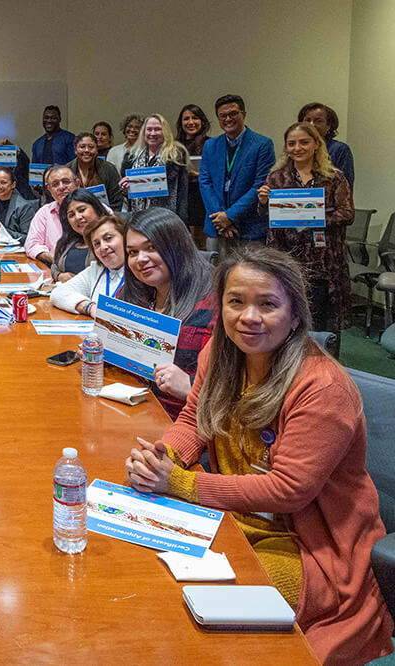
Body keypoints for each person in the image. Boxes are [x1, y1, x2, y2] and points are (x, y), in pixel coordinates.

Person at [125, 245, 394, 664]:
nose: (248, 317)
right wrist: (162, 458)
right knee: (144, 571)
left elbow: (288, 491)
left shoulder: (322, 388)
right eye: (236, 302)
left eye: (267, 304)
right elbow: (196, 418)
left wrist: (179, 482)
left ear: (295, 315)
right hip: (236, 521)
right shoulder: (219, 352)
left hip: (311, 551)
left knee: (198, 615)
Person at [257, 122, 354, 350]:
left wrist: (311, 217)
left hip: (324, 262)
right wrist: (262, 202)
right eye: (291, 143)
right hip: (287, 259)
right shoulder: (276, 178)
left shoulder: (334, 178)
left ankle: (327, 371)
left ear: (316, 145)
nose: (297, 148)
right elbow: (266, 215)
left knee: (323, 324)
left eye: (304, 142)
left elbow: (347, 213)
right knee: (288, 319)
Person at [119, 208, 216, 418]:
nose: (140, 259)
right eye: (132, 252)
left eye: (151, 248)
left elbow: (239, 388)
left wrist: (191, 386)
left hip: (187, 424)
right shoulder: (131, 295)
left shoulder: (217, 302)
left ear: (177, 246)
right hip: (133, 409)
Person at [198, 94, 275, 251]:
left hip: (249, 228)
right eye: (222, 116)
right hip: (216, 227)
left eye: (233, 114)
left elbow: (259, 185)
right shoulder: (210, 145)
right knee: (217, 273)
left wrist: (230, 216)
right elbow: (205, 182)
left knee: (251, 274)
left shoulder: (262, 145)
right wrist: (221, 219)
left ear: (243, 114)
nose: (228, 119)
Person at [50, 214, 126, 315]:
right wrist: (89, 307)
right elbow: (58, 294)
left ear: (125, 238)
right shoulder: (96, 270)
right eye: (97, 244)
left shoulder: (141, 271)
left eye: (108, 238)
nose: (103, 247)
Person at [119, 113, 189, 221]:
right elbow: (128, 195)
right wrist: (124, 188)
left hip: (167, 219)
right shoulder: (131, 157)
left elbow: (182, 192)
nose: (152, 133)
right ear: (144, 132)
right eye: (149, 129)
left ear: (164, 131)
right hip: (138, 219)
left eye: (157, 129)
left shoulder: (176, 155)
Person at [25, 165, 78, 266]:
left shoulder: (95, 208)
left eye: (66, 181)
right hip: (54, 268)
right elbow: (31, 244)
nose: (61, 187)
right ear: (49, 189)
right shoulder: (44, 213)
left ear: (77, 183)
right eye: (55, 184)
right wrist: (57, 259)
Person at [50, 188, 108, 282]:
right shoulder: (67, 242)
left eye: (82, 210)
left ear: (96, 208)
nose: (78, 217)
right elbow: (54, 266)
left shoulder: (108, 242)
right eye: (71, 215)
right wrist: (59, 276)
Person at [176, 104, 212, 249]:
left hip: (201, 201)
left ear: (202, 121)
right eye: (186, 119)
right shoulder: (174, 146)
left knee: (200, 245)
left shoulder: (211, 144)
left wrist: (197, 174)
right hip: (181, 200)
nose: (191, 122)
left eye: (195, 118)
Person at [298, 102, 354, 190]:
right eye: (307, 120)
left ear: (329, 126)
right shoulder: (296, 149)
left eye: (318, 121)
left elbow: (346, 186)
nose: (312, 124)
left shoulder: (339, 149)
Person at [66, 133, 125, 211]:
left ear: (97, 150)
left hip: (104, 218)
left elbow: (116, 200)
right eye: (82, 147)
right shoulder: (67, 170)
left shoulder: (109, 169)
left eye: (91, 147)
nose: (86, 150)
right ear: (75, 150)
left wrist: (108, 219)